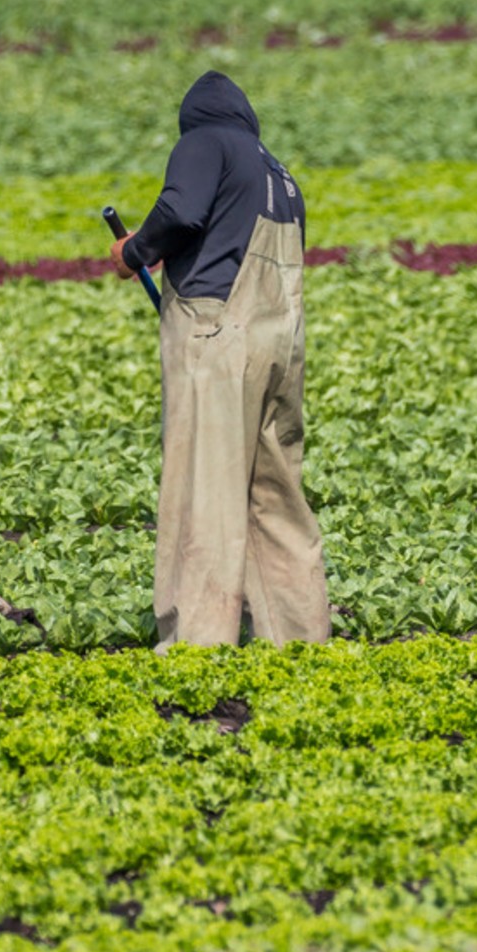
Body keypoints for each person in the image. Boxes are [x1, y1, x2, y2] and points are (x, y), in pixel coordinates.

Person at [110, 71, 330, 649]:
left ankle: (198, 644)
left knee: (203, 491)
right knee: (275, 495)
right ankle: (299, 634)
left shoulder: (205, 142)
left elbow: (181, 212)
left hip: (217, 338)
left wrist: (134, 251)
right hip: (280, 344)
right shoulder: (279, 174)